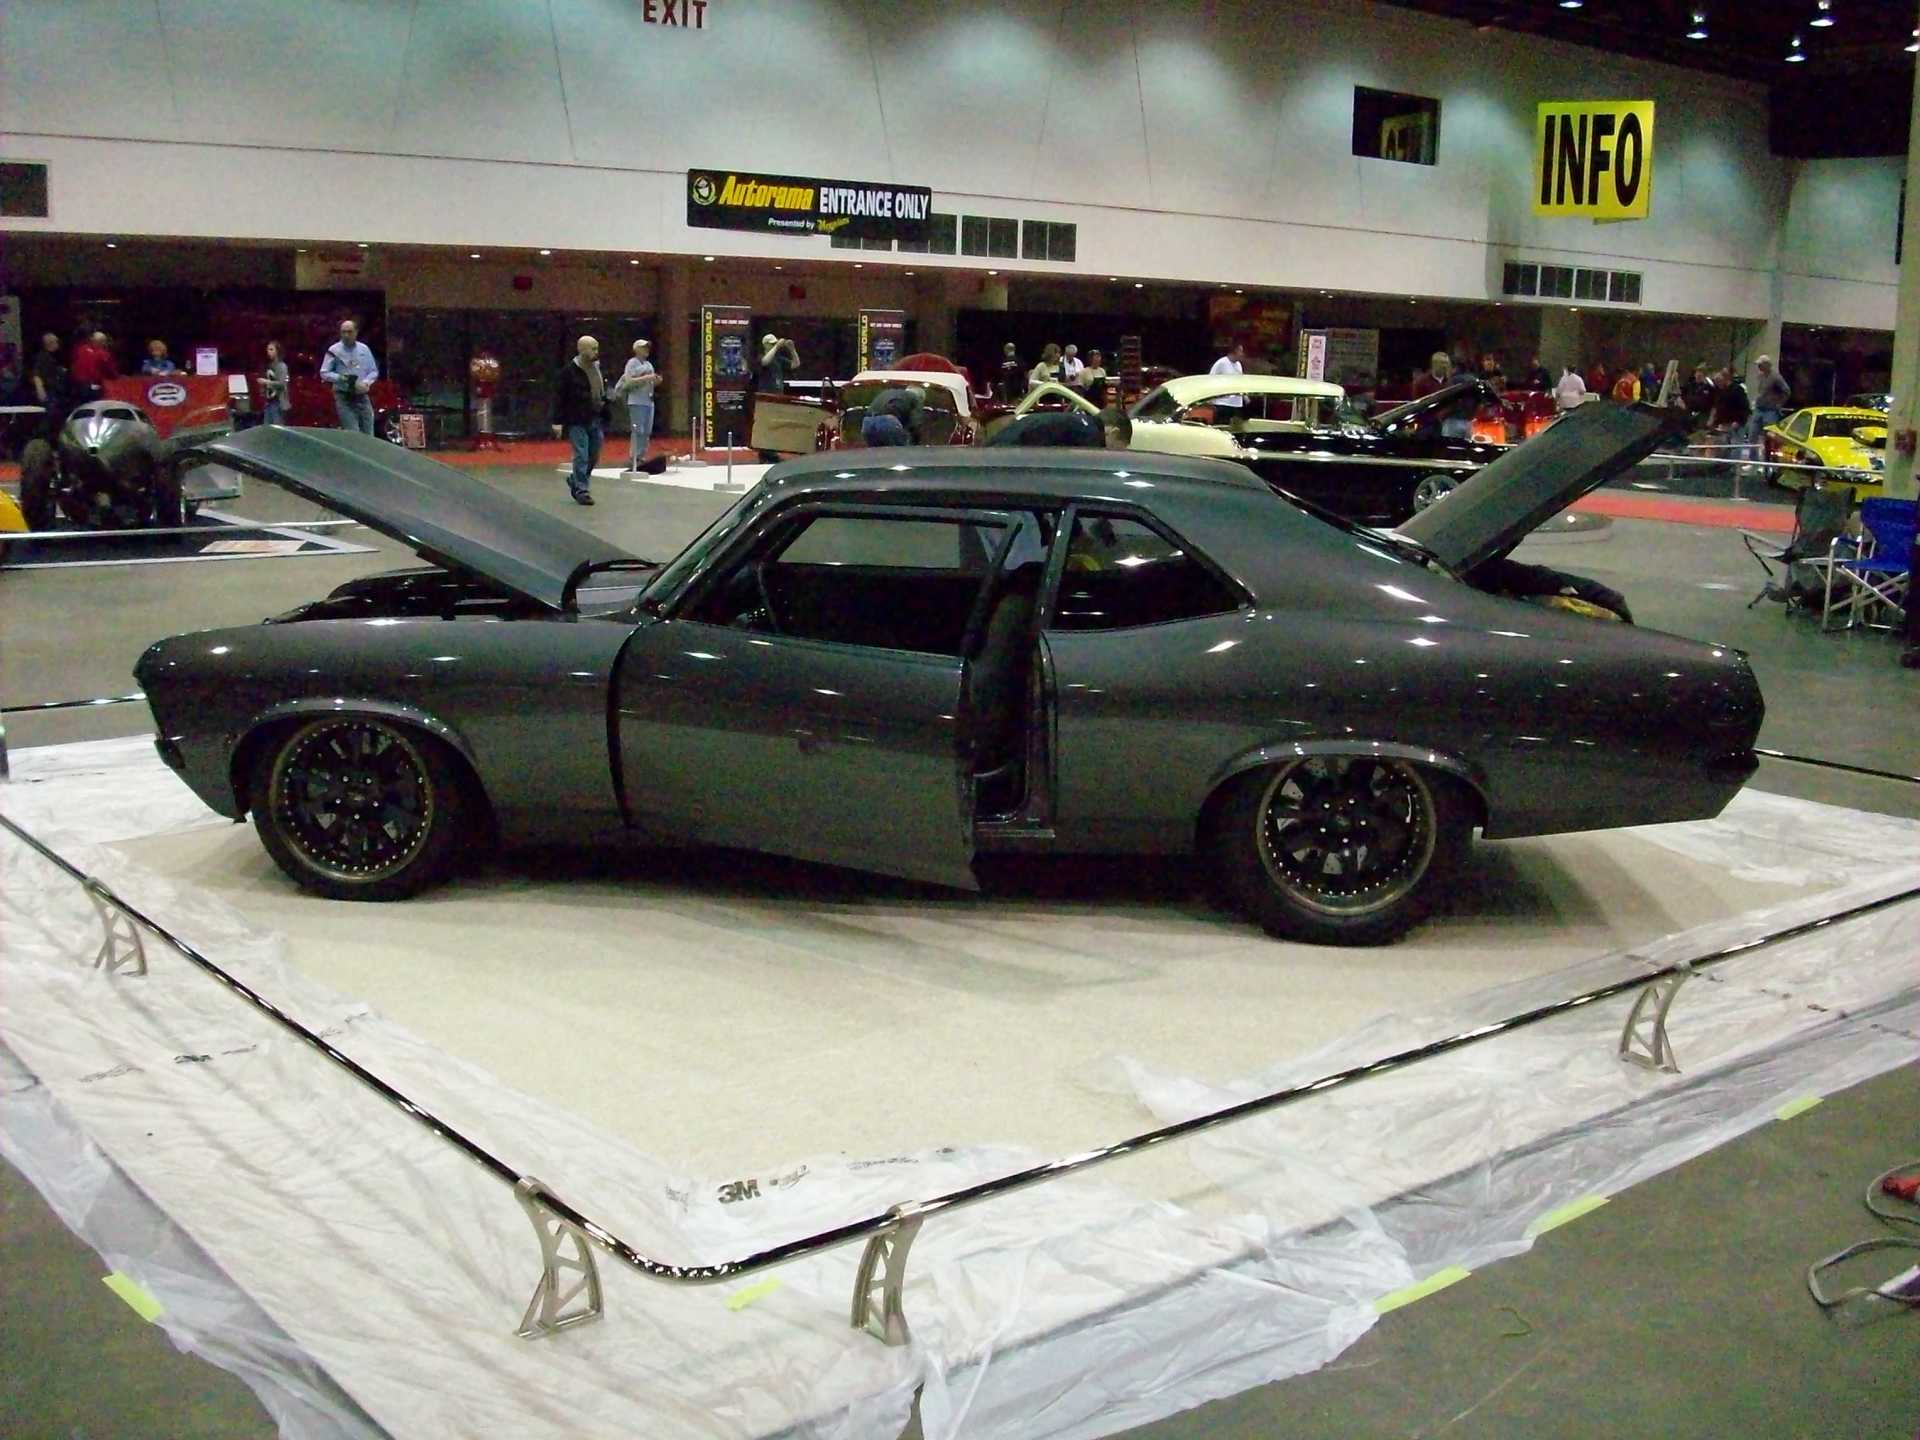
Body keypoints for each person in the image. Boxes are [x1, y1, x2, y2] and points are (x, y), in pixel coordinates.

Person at [550, 334, 610, 505]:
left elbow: (601, 389)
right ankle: (582, 489)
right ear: (582, 350)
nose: (596, 352)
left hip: (595, 417)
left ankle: (575, 480)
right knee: (581, 455)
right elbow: (559, 397)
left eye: (597, 348)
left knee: (594, 455)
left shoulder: (597, 368)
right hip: (576, 418)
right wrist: (557, 421)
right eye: (593, 348)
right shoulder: (568, 372)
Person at [319, 319, 380, 434]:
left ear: (356, 332)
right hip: (343, 396)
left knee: (369, 430)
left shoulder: (364, 349)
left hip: (361, 395)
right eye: (343, 332)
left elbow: (373, 371)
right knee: (353, 432)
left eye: (349, 332)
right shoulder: (334, 350)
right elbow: (324, 372)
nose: (346, 335)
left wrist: (366, 382)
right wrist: (340, 378)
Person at [987, 404, 1132, 449]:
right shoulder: (1091, 438)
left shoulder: (1080, 423)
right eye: (1118, 447)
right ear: (1113, 433)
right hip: (1007, 450)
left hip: (1004, 443)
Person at [614, 339, 661, 472]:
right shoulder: (632, 363)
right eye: (643, 347)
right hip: (636, 401)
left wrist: (655, 380)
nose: (646, 350)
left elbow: (651, 383)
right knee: (637, 430)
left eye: (647, 347)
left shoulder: (649, 364)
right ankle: (633, 456)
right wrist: (646, 378)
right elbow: (628, 381)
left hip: (649, 401)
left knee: (646, 431)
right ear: (636, 349)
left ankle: (641, 455)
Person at [754, 333, 799, 461]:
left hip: (777, 396)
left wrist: (792, 350)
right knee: (766, 426)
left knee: (775, 426)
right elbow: (765, 362)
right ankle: (765, 454)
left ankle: (772, 452)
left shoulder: (779, 359)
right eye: (772, 344)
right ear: (766, 345)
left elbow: (795, 364)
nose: (775, 346)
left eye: (775, 344)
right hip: (766, 397)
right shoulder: (762, 356)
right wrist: (776, 347)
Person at [861, 384, 925, 446]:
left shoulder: (888, 392)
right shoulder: (915, 398)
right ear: (920, 397)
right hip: (888, 422)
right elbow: (915, 423)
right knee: (901, 453)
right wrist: (916, 443)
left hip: (867, 422)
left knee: (875, 454)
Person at [28, 332, 67, 427]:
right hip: (48, 393)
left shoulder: (52, 357)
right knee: (48, 418)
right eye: (56, 342)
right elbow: (37, 375)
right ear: (50, 343)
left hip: (54, 392)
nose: (58, 344)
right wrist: (41, 391)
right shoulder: (42, 357)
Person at [69, 330, 117, 404]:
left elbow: (73, 363)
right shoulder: (103, 354)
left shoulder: (79, 349)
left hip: (76, 385)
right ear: (102, 342)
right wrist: (115, 377)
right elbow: (109, 370)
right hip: (92, 386)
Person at [1208, 341, 1247, 414]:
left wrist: (1245, 396)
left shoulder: (1239, 365)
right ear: (1235, 351)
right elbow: (1210, 379)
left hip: (1236, 403)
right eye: (1241, 351)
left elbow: (1240, 382)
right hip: (1223, 402)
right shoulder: (1221, 363)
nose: (1242, 354)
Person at [258, 341, 290, 425]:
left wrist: (266, 382)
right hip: (269, 402)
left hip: (278, 402)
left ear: (277, 351)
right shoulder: (269, 365)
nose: (269, 352)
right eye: (268, 350)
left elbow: (282, 384)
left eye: (271, 349)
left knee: (277, 427)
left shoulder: (282, 366)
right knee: (267, 427)